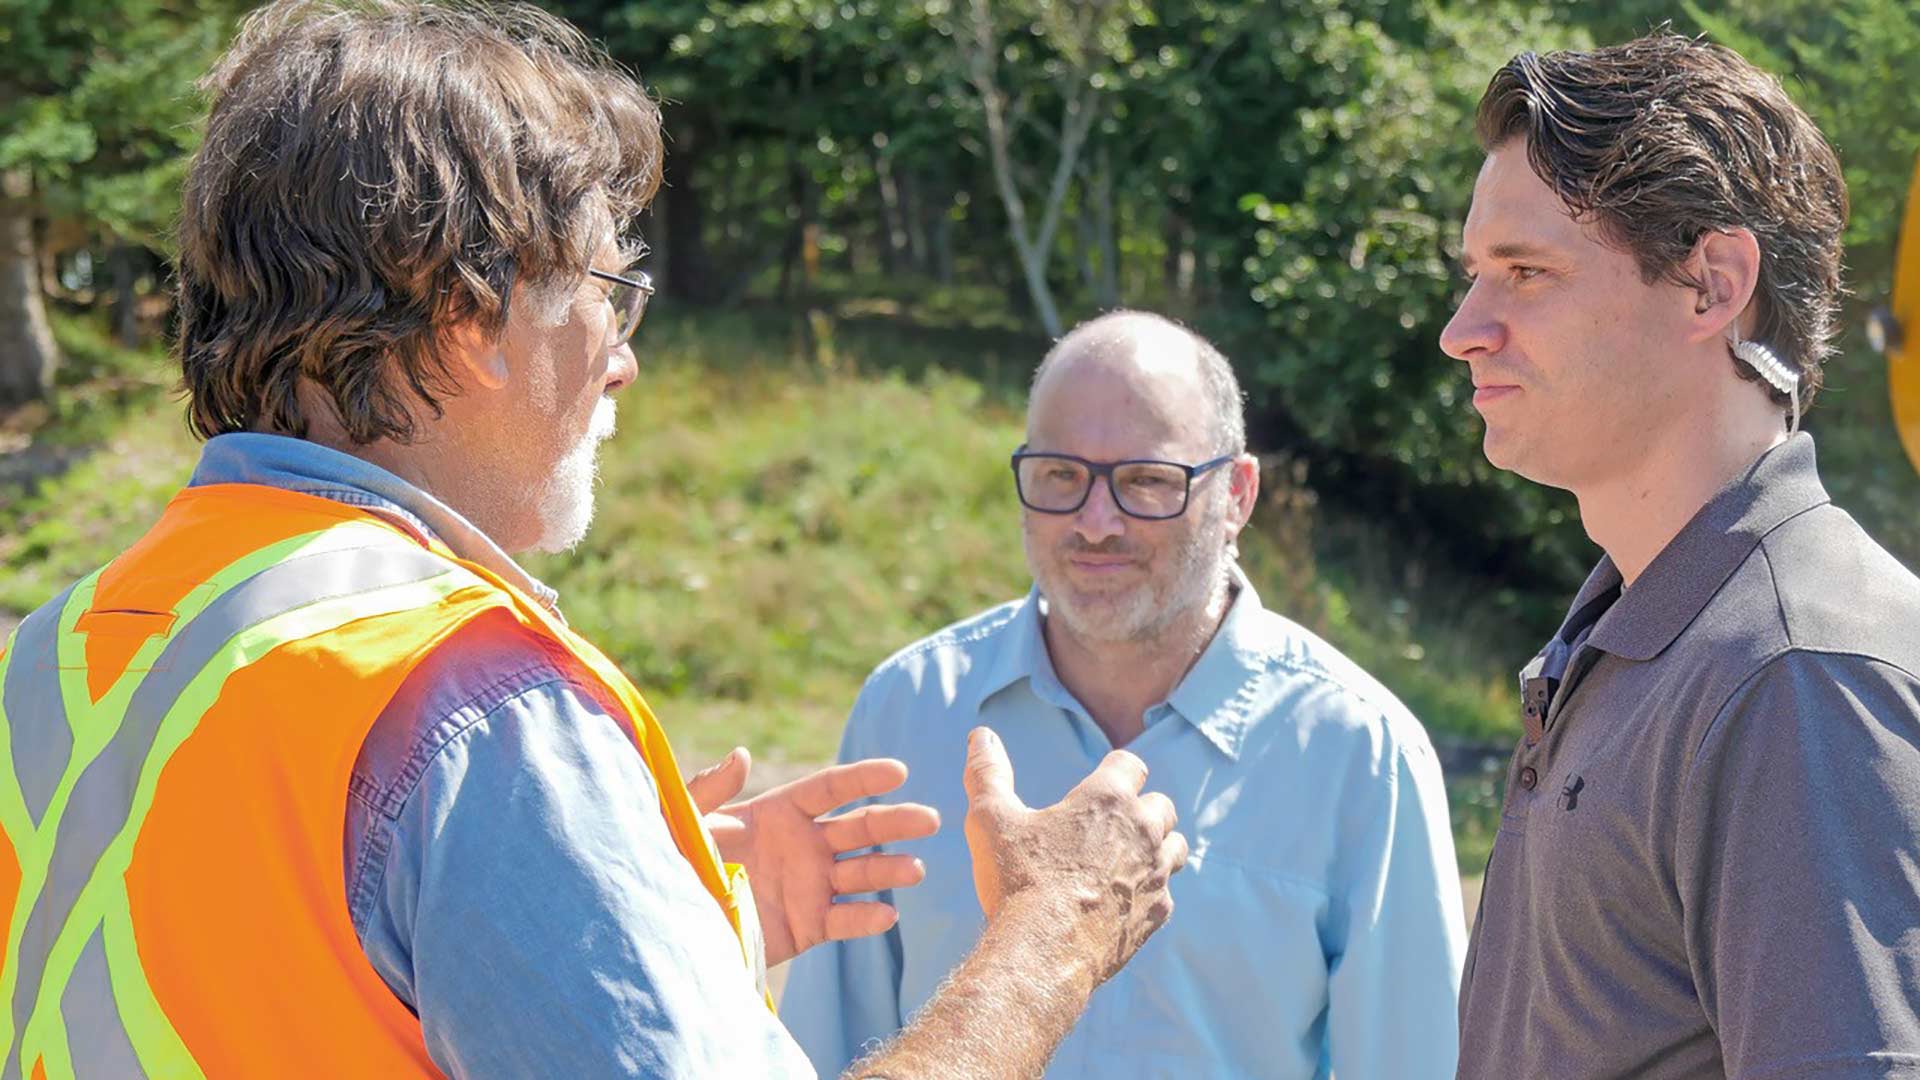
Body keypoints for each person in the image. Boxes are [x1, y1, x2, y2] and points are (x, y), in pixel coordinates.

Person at [0, 3, 1188, 1077]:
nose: (624, 354)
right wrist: (1051, 940)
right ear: (466, 313)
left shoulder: (63, 654)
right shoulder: (469, 706)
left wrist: (677, 932)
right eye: (609, 291)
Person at [781, 311, 1466, 1078]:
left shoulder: (1361, 752)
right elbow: (819, 1049)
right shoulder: (907, 711)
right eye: (1060, 477)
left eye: (1146, 481)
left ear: (1238, 494)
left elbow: (1418, 1064)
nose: (1095, 523)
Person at [1444, 33, 1920, 1078]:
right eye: (1475, 276)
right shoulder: (1642, 636)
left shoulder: (1802, 677)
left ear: (1711, 284)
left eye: (1524, 273)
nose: (1463, 329)